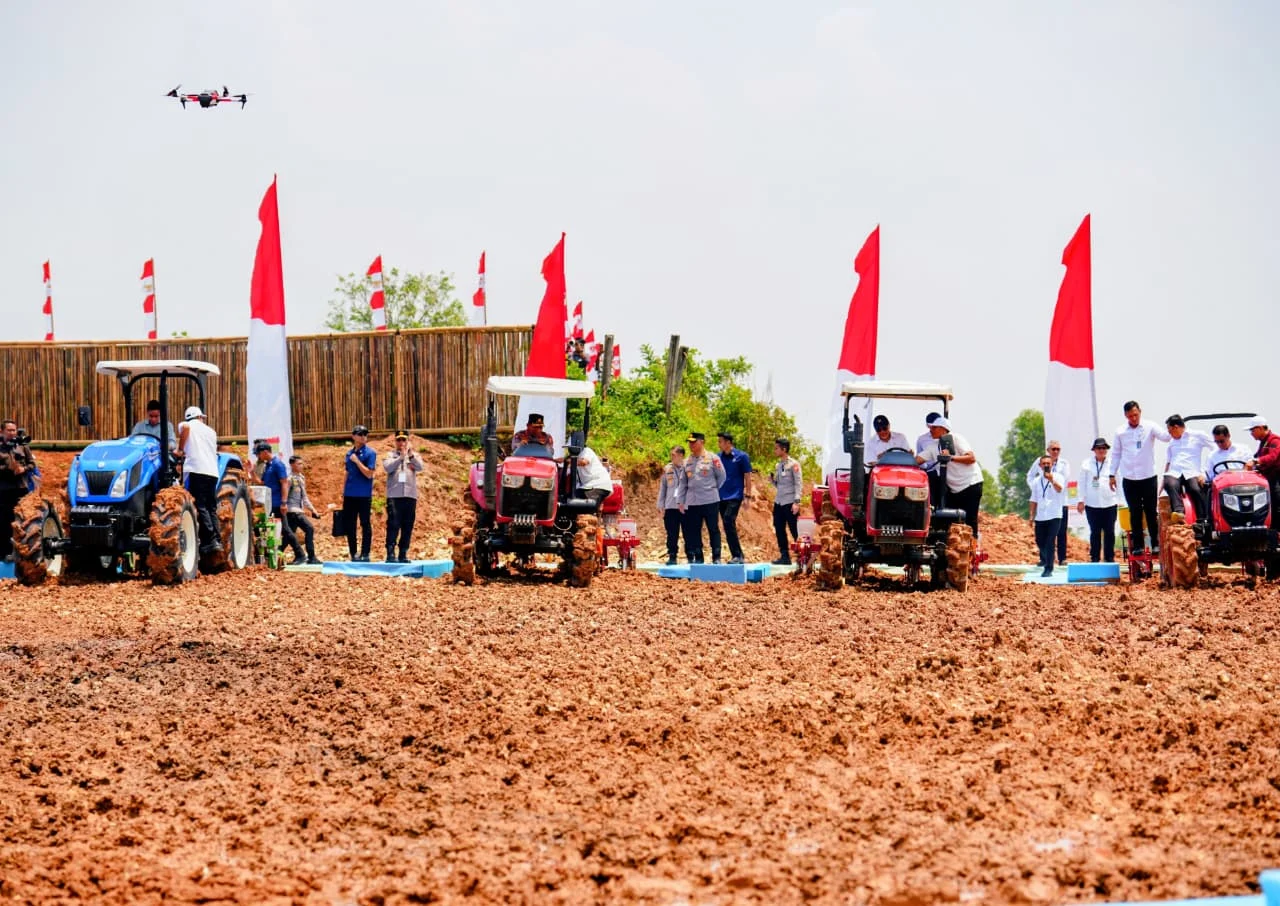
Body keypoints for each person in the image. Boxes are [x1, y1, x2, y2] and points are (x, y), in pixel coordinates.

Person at [1109, 401, 1170, 554]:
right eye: (1130, 416)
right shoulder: (1120, 431)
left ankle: (1156, 544)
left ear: (1140, 412)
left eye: (1135, 415)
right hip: (1129, 477)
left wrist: (1176, 426)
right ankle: (1138, 546)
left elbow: (1165, 436)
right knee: (1134, 512)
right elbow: (1116, 454)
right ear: (1125, 416)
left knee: (1150, 511)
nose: (1134, 418)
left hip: (1148, 476)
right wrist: (1111, 474)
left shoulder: (1150, 426)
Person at [916, 416, 984, 543]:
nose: (931, 430)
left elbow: (971, 458)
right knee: (951, 519)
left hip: (971, 484)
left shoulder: (956, 439)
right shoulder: (933, 446)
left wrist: (951, 458)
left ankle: (973, 550)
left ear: (943, 429)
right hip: (954, 489)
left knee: (970, 520)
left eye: (934, 428)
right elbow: (917, 460)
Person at [176, 406, 222, 555]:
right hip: (212, 472)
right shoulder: (211, 431)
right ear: (200, 417)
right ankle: (217, 540)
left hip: (196, 469)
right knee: (211, 507)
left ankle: (209, 540)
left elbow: (186, 427)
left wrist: (180, 449)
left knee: (200, 505)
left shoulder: (187, 424)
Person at [681, 432, 727, 564]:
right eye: (689, 442)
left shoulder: (713, 458)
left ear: (702, 442)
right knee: (694, 530)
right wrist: (681, 500)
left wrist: (711, 489)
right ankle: (698, 557)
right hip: (693, 502)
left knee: (713, 529)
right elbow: (683, 482)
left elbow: (722, 477)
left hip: (710, 500)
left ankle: (716, 557)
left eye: (694, 442)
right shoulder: (687, 462)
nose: (691, 445)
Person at [1025, 440, 1072, 565]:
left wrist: (1053, 481)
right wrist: (1036, 489)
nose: (1056, 451)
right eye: (1053, 449)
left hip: (1060, 500)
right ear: (1048, 450)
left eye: (1058, 449)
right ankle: (1044, 559)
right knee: (1044, 532)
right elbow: (1030, 476)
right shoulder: (1040, 461)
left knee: (1061, 531)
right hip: (1044, 501)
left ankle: (1062, 558)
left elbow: (1065, 481)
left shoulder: (1064, 464)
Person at [383, 431, 424, 563]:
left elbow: (420, 467)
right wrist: (400, 458)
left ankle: (403, 553)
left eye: (404, 440)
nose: (401, 443)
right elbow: (388, 468)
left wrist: (410, 455)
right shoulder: (390, 455)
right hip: (394, 496)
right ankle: (390, 553)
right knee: (393, 524)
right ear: (395, 442)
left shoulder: (414, 455)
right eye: (399, 440)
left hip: (410, 496)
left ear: (408, 441)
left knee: (407, 526)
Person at [0, 420, 38, 561]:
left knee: (24, 523)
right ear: (2, 432)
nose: (12, 433)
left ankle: (24, 554)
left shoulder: (22, 446)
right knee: (4, 523)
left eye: (14, 430)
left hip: (21, 489)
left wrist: (23, 469)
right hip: (4, 491)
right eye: (8, 430)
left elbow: (32, 464)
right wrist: (8, 469)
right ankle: (5, 555)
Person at [1162, 415, 1212, 517]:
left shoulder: (1198, 435)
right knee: (1169, 483)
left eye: (1170, 431)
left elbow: (1215, 450)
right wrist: (1162, 482)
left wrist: (1205, 472)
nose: (1169, 434)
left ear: (1176, 427)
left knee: (1196, 489)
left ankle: (1203, 519)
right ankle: (1179, 512)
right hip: (1175, 472)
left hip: (1192, 472)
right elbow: (1168, 462)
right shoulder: (1172, 442)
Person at [1077, 437, 1118, 563]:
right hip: (1092, 504)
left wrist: (1121, 499)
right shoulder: (1086, 464)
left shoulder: (1113, 463)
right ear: (1094, 450)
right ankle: (1094, 557)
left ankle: (1109, 557)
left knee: (1109, 532)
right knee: (1095, 532)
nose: (1101, 450)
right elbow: (1082, 483)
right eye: (1099, 448)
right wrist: (1080, 500)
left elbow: (1119, 481)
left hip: (1110, 503)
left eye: (1104, 448)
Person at [716, 432, 754, 565]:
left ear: (728, 442)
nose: (719, 444)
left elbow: (748, 476)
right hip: (721, 496)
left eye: (720, 441)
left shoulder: (742, 456)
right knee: (727, 525)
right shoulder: (718, 457)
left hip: (735, 495)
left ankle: (737, 555)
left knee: (728, 520)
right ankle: (738, 555)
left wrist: (748, 496)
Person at [342, 425, 377, 562]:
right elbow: (347, 472)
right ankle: (353, 552)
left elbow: (369, 474)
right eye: (360, 434)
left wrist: (357, 462)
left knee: (365, 524)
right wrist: (343, 491)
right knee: (350, 525)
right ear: (353, 436)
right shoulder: (349, 454)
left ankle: (365, 553)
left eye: (365, 434)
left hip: (363, 495)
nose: (363, 436)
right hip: (350, 494)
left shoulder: (370, 453)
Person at [1028, 453, 1067, 577]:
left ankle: (1048, 568)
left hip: (1054, 514)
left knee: (1050, 541)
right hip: (1041, 516)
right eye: (1043, 464)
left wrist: (1051, 479)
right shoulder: (1036, 481)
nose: (1046, 465)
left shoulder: (1059, 477)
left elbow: (1060, 489)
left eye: (1048, 464)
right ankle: (1048, 558)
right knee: (1040, 540)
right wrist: (1031, 515)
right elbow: (1033, 499)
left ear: (1052, 465)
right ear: (1039, 465)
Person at [770, 437, 804, 566]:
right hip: (779, 501)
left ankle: (802, 555)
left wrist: (797, 502)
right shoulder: (778, 465)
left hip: (790, 502)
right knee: (779, 528)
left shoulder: (793, 464)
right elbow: (780, 485)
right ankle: (784, 556)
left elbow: (798, 484)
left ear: (784, 449)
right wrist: (772, 481)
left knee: (794, 529)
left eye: (777, 448)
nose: (775, 450)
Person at [285, 454, 322, 565]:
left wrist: (313, 510)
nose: (301, 466)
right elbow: (285, 496)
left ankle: (276, 554)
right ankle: (311, 557)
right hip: (292, 511)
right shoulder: (289, 479)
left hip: (298, 510)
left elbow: (304, 497)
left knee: (288, 536)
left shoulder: (301, 478)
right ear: (292, 465)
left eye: (302, 463)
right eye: (299, 464)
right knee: (309, 529)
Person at [656, 445, 687, 565]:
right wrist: (660, 503)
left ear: (681, 455)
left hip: (685, 506)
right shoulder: (667, 469)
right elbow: (663, 487)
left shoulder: (688, 468)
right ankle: (672, 556)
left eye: (674, 455)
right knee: (671, 533)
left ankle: (691, 555)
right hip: (671, 506)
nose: (671, 457)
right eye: (671, 455)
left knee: (688, 532)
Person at [1249, 415, 1280, 499]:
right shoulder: (1264, 442)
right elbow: (1257, 456)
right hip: (1268, 479)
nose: (1251, 433)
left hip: (1276, 479)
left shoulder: (1274, 440)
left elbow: (1272, 457)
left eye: (1252, 430)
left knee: (1276, 505)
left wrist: (1256, 461)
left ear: (1260, 428)